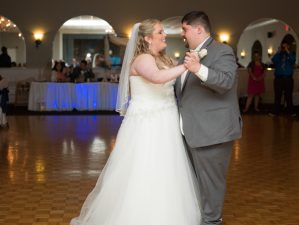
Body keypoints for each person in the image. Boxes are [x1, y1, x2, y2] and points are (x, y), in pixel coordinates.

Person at [70, 19, 201, 225]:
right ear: (148, 38)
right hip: (147, 125)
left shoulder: (165, 59)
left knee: (167, 169)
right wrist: (187, 66)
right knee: (145, 168)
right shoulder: (142, 59)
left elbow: (173, 78)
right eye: (160, 32)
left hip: (166, 122)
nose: (164, 35)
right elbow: (157, 78)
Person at [175, 11, 242, 225]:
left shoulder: (222, 51)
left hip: (213, 132)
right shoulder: (185, 55)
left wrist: (198, 68)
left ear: (199, 29)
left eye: (184, 29)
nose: (182, 34)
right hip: (191, 131)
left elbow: (225, 82)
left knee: (211, 184)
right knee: (196, 183)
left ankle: (212, 222)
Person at [270, 42, 296, 116]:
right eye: (283, 46)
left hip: (288, 79)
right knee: (277, 96)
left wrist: (287, 51)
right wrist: (278, 51)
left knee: (288, 95)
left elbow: (293, 60)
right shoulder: (279, 55)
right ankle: (275, 112)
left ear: (288, 46)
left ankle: (290, 112)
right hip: (278, 79)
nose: (284, 47)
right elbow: (273, 60)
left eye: (286, 46)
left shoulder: (291, 54)